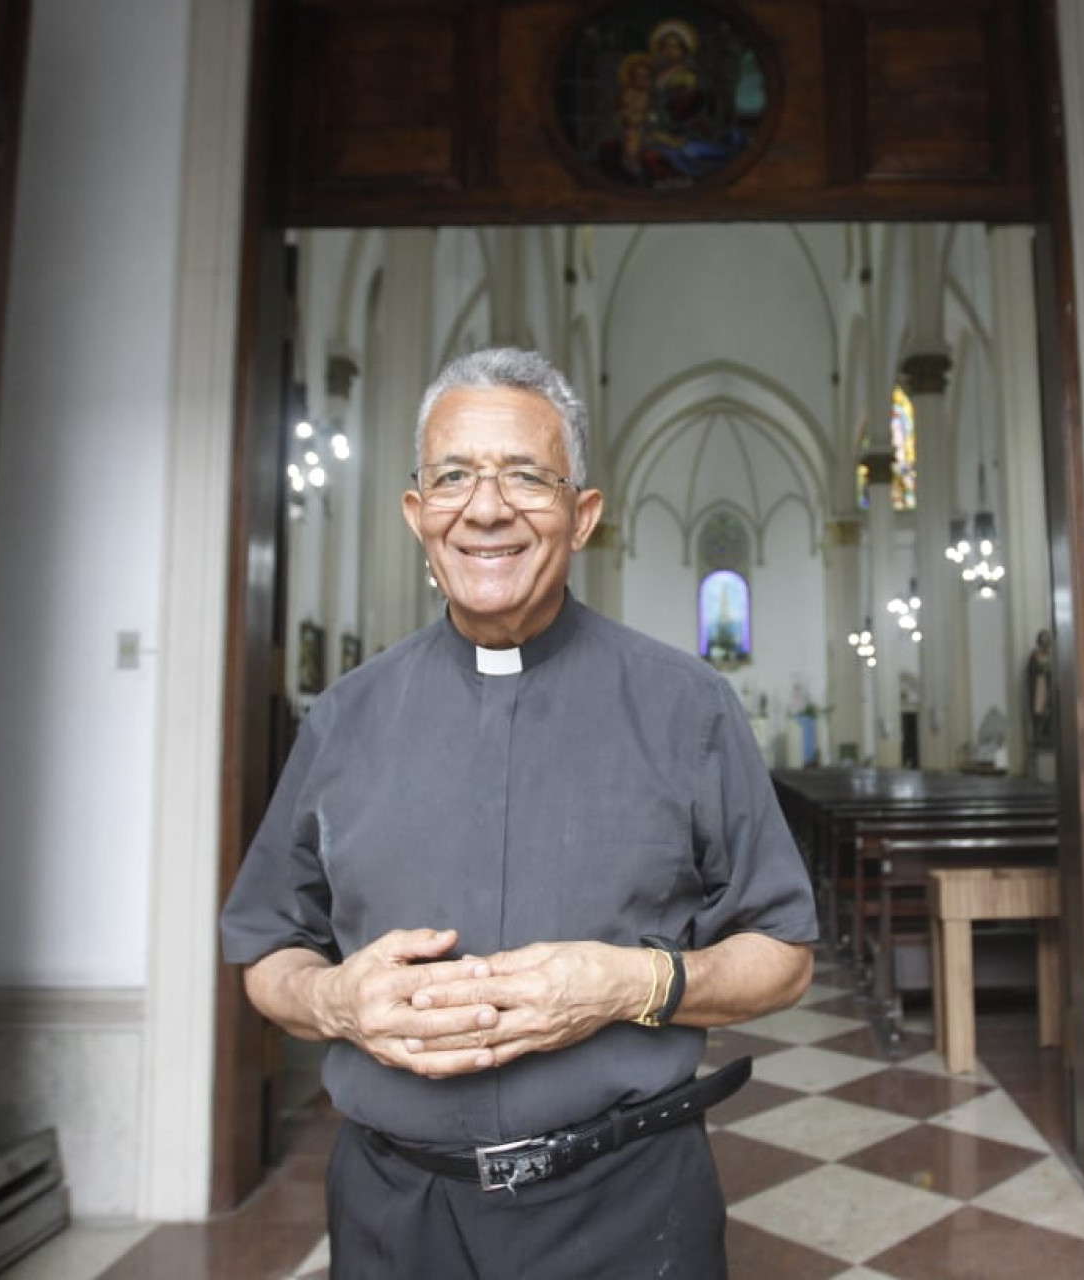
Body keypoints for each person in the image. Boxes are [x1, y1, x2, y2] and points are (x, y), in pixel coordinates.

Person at [220, 348, 817, 1278]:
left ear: (582, 515)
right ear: (419, 516)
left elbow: (783, 957)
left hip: (629, 1207)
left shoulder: (686, 706)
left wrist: (628, 985)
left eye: (526, 477)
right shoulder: (345, 718)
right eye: (453, 476)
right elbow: (266, 949)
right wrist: (334, 998)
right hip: (393, 1213)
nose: (486, 508)